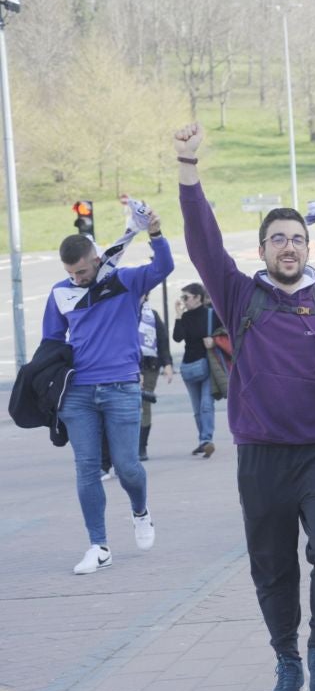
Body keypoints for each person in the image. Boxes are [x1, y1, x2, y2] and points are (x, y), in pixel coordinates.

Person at [175, 122, 315, 691]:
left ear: (304, 246)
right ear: (262, 250)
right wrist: (189, 169)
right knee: (271, 566)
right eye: (278, 239)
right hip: (260, 455)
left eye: (296, 237)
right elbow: (201, 243)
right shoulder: (241, 296)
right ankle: (287, 657)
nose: (289, 246)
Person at [44, 212, 174, 574]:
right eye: (70, 273)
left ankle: (140, 510)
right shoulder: (60, 293)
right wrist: (48, 387)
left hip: (122, 387)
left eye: (82, 272)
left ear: (97, 260)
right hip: (79, 393)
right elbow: (51, 343)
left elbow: (164, 266)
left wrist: (156, 233)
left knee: (128, 467)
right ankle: (98, 546)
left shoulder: (125, 282)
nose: (76, 278)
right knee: (86, 468)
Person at [173, 283, 219, 457]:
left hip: (207, 364)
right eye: (182, 297)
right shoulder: (184, 317)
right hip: (189, 366)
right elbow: (177, 338)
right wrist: (178, 315)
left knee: (206, 404)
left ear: (198, 297)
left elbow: (226, 332)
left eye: (186, 297)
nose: (183, 301)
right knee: (197, 408)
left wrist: (214, 341)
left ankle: (206, 439)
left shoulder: (211, 314)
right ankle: (203, 440)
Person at [136, 294, 174, 461]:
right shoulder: (121, 313)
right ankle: (125, 445)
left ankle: (141, 446)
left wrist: (167, 364)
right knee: (125, 406)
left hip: (150, 366)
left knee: (145, 404)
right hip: (126, 367)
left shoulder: (152, 315)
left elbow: (163, 340)